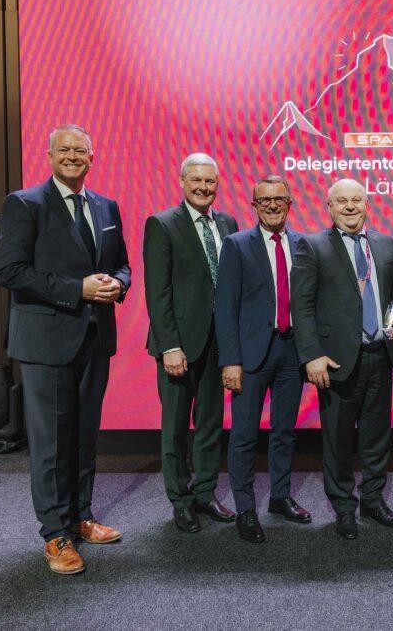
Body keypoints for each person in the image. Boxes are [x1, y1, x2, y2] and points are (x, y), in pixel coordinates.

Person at [0, 124, 131, 575]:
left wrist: (118, 283)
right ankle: (55, 534)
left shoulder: (105, 206)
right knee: (52, 441)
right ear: (50, 155)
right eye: (65, 150)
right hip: (46, 340)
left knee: (84, 436)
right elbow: (9, 271)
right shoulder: (25, 203)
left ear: (92, 157)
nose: (73, 156)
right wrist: (79, 289)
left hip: (95, 340)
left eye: (81, 151)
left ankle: (80, 517)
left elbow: (123, 264)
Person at [290, 178, 393, 540]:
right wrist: (311, 356)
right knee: (338, 439)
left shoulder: (384, 244)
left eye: (356, 200)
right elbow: (300, 308)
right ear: (329, 207)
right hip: (334, 362)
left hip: (381, 354)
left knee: (377, 438)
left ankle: (373, 500)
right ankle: (344, 507)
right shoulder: (312, 246)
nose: (350, 206)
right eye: (341, 201)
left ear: (367, 204)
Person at [144, 153, 238, 533]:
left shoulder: (228, 223)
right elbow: (158, 291)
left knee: (211, 425)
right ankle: (180, 501)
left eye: (210, 182)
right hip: (178, 346)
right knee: (175, 429)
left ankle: (204, 493)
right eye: (196, 180)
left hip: (219, 345)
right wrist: (169, 346)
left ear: (217, 184)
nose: (203, 187)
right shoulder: (162, 224)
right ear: (182, 181)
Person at [215, 175, 310, 543]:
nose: (272, 205)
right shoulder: (237, 245)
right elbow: (225, 307)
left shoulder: (303, 245)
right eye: (264, 200)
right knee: (243, 435)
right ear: (254, 205)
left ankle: (280, 498)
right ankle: (245, 509)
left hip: (291, 351)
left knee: (284, 431)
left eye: (279, 199)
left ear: (290, 203)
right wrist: (230, 360)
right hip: (251, 354)